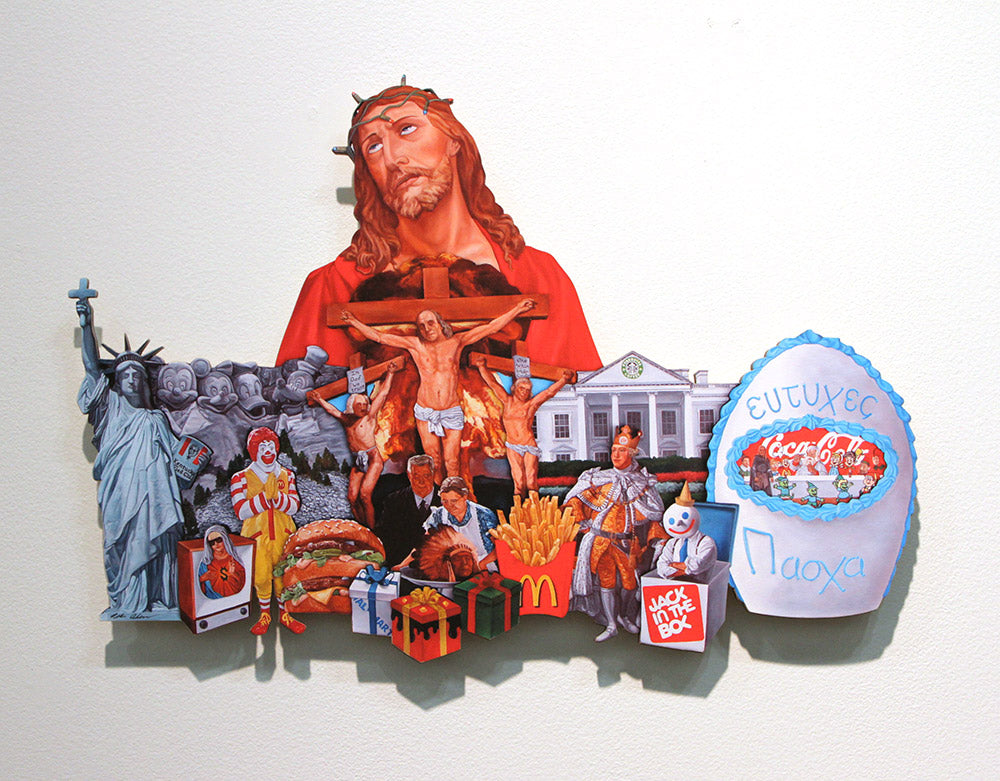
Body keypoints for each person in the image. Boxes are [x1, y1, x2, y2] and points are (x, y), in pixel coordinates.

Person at [277, 83, 602, 373]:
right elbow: (301, 408)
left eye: (407, 129)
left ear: (453, 141)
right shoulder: (334, 287)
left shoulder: (539, 278)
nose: (392, 158)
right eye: (373, 147)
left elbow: (578, 398)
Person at [74, 297, 185, 619]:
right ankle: (127, 600)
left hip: (155, 494)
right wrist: (86, 327)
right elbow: (92, 369)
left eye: (137, 375)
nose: (132, 380)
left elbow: (176, 459)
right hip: (121, 490)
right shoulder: (110, 409)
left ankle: (157, 598)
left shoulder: (155, 419)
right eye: (125, 376)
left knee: (158, 537)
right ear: (118, 383)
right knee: (121, 541)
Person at [341, 299, 535, 482]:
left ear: (440, 324)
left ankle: (454, 500)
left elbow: (491, 327)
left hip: (451, 410)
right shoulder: (416, 345)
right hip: (425, 411)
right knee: (433, 460)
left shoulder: (456, 342)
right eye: (422, 326)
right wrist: (353, 322)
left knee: (452, 462)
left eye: (430, 323)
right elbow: (379, 336)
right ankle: (437, 500)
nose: (427, 329)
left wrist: (518, 309)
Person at [566, 425, 664, 642]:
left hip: (626, 545)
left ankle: (625, 615)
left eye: (621, 451)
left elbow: (655, 512)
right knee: (606, 583)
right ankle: (611, 624)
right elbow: (574, 499)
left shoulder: (641, 481)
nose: (616, 455)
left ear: (632, 453)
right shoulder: (598, 478)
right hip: (600, 541)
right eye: (613, 451)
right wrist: (583, 523)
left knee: (630, 584)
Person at [308, 358, 400, 528]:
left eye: (365, 403)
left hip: (373, 458)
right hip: (358, 460)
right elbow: (332, 410)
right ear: (352, 405)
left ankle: (372, 531)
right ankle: (361, 527)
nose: (364, 406)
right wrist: (319, 400)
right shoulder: (347, 420)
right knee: (352, 497)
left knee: (365, 495)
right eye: (360, 404)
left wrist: (391, 374)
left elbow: (382, 394)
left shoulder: (369, 417)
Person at [229, 427, 305, 634]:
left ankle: (285, 614)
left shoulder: (287, 475)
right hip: (257, 538)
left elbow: (294, 506)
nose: (268, 450)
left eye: (271, 445)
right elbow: (240, 511)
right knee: (261, 577)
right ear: (254, 450)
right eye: (262, 446)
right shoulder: (240, 478)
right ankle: (264, 616)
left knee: (283, 577)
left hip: (284, 536)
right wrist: (265, 498)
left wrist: (277, 498)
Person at [472, 355, 573, 496]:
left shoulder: (530, 405)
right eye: (522, 388)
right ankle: (518, 508)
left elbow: (548, 393)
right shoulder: (507, 401)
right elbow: (492, 383)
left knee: (531, 482)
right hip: (513, 446)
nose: (524, 392)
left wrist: (563, 380)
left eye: (527, 389)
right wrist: (481, 367)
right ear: (515, 388)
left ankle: (534, 507)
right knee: (518, 483)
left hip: (528, 445)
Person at [403, 476, 499, 573]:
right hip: (454, 570)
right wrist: (402, 565)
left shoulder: (483, 515)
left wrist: (479, 566)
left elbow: (500, 547)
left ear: (465, 497)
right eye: (445, 501)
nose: (449, 506)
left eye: (454, 501)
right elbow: (423, 546)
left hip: (485, 568)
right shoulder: (439, 515)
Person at [375, 454, 440, 568]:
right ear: (409, 475)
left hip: (437, 566)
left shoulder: (447, 500)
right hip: (399, 567)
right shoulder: (394, 500)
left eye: (426, 475)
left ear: (433, 474)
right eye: (416, 476)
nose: (421, 481)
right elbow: (383, 535)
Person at [651, 482, 717, 584]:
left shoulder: (706, 542)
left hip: (699, 587)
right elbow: (661, 568)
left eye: (685, 517)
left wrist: (673, 565)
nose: (678, 523)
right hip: (674, 587)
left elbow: (696, 565)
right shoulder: (672, 543)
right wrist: (685, 569)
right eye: (672, 521)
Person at [198, 526, 247, 599]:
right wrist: (202, 578)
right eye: (212, 543)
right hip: (214, 601)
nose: (216, 544)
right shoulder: (205, 564)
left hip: (235, 600)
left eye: (219, 540)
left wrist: (233, 574)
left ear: (225, 539)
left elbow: (243, 585)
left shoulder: (235, 560)